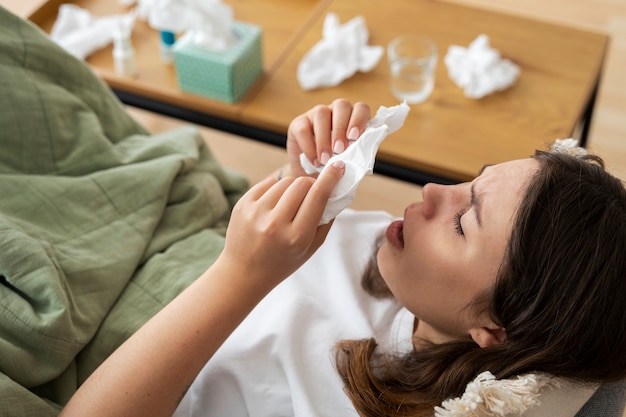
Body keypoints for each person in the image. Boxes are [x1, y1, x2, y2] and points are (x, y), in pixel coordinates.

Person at [56, 99, 626, 417]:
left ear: (495, 330)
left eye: (460, 221)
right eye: (471, 180)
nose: (430, 191)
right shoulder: (404, 265)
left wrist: (239, 274)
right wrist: (298, 183)